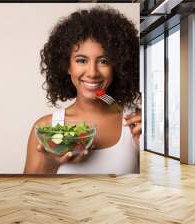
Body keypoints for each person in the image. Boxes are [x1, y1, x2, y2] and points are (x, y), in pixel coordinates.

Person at [23, 6, 141, 174]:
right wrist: (51, 162)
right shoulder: (46, 128)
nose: (92, 73)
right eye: (81, 60)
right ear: (66, 65)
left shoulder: (135, 122)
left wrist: (147, 151)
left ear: (118, 66)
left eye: (103, 61)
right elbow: (28, 195)